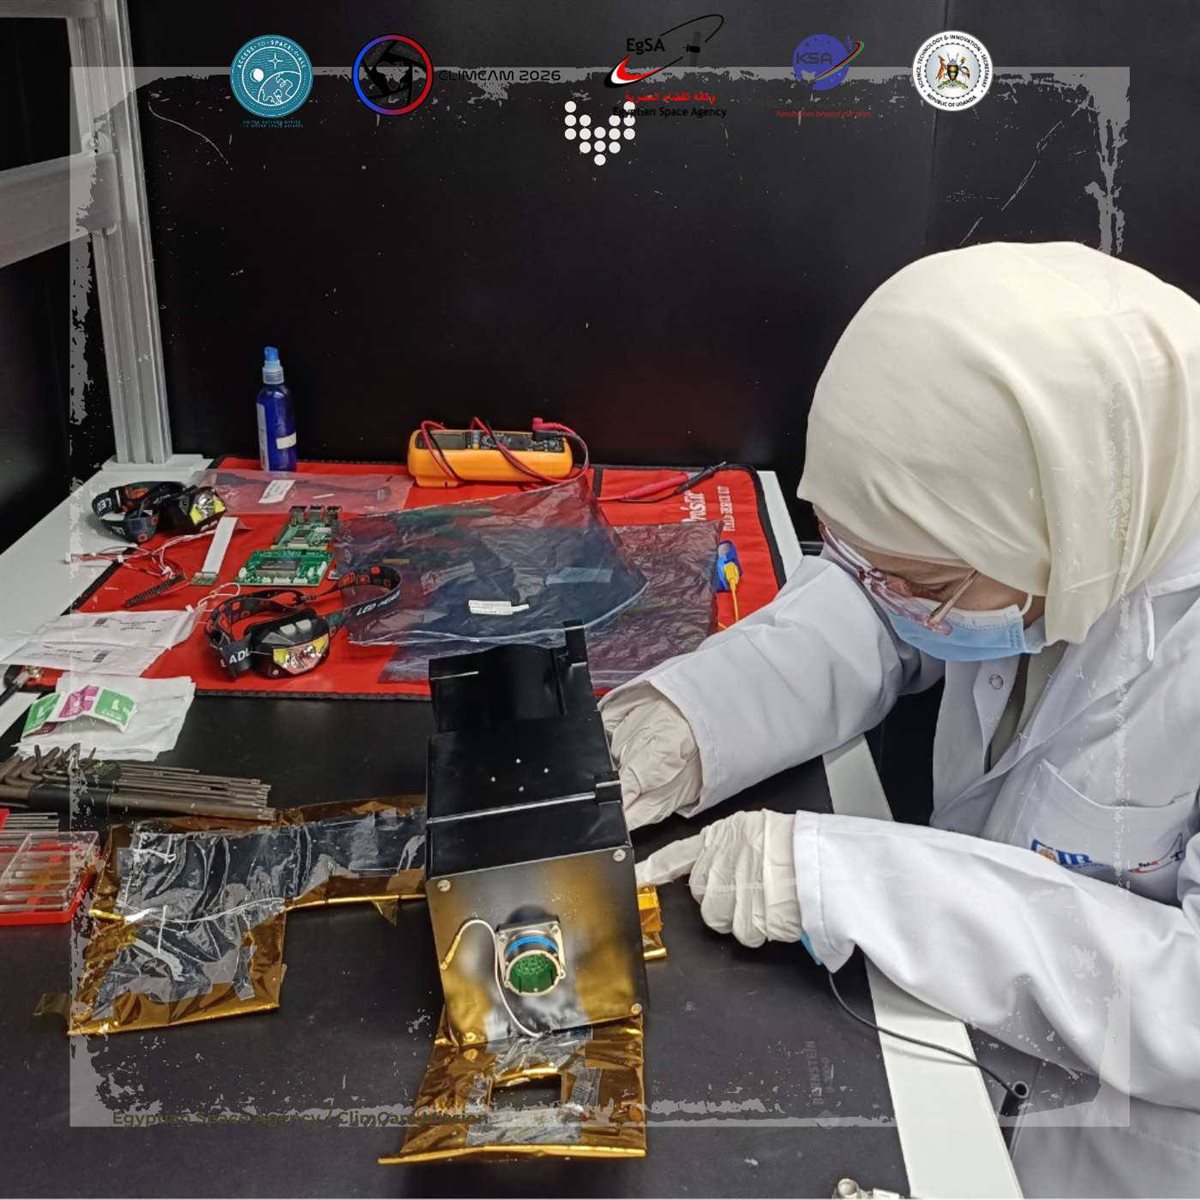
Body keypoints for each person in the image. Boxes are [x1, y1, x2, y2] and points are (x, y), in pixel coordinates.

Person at [601, 242, 1200, 1198]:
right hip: (965, 1060)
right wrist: (691, 719)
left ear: (1070, 521)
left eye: (922, 579)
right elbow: (882, 601)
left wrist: (852, 883)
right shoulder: (1073, 483)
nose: (890, 592)